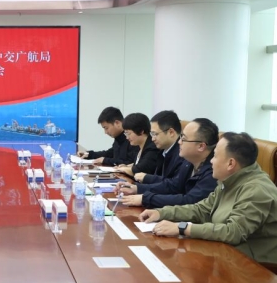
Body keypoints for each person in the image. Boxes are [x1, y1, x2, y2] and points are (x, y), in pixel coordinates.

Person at [140, 132, 277, 264]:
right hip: (225, 253)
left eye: (215, 156)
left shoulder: (257, 190)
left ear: (231, 164)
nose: (211, 161)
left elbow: (233, 232)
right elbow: (201, 209)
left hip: (254, 266)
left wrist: (182, 228)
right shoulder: (230, 179)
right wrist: (161, 212)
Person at [118, 118, 218, 208]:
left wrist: (146, 199)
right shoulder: (189, 162)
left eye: (183, 139)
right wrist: (137, 188)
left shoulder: (213, 172)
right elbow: (173, 186)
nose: (179, 142)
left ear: (201, 146)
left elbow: (189, 201)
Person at [133, 110, 183, 184]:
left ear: (171, 132)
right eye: (152, 134)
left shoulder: (182, 154)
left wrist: (145, 180)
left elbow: (173, 185)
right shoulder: (162, 151)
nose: (152, 139)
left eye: (155, 134)